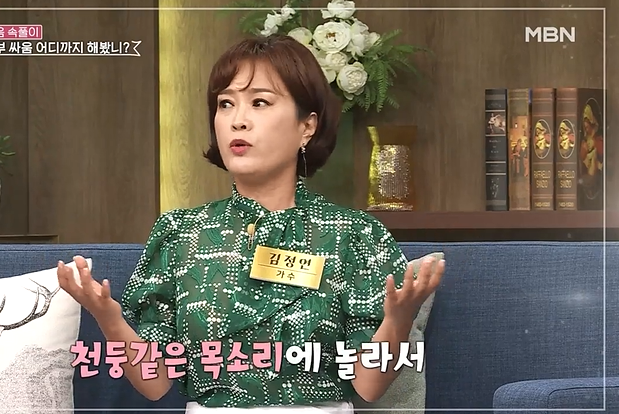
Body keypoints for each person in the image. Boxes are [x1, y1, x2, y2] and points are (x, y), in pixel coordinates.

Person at [57, 34, 445, 414]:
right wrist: (108, 316)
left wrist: (399, 319)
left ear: (307, 126)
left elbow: (369, 385)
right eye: (225, 104)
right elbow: (155, 383)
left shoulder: (353, 234)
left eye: (260, 102)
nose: (237, 121)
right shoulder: (180, 233)